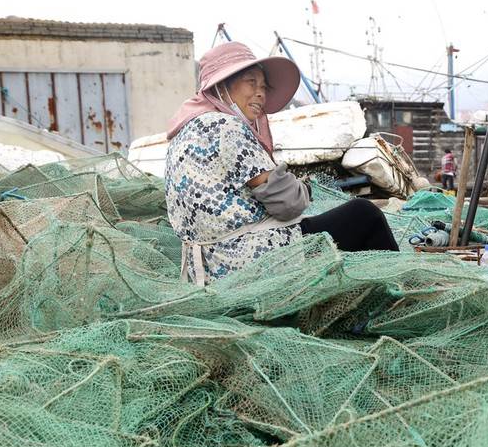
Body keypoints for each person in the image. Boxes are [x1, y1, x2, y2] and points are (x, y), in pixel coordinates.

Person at [165, 42, 398, 286]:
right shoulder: (226, 126)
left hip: (204, 266)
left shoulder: (182, 133)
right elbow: (287, 203)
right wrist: (304, 189)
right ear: (222, 85)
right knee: (363, 214)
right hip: (250, 258)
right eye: (251, 82)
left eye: (263, 87)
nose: (260, 94)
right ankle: (398, 297)